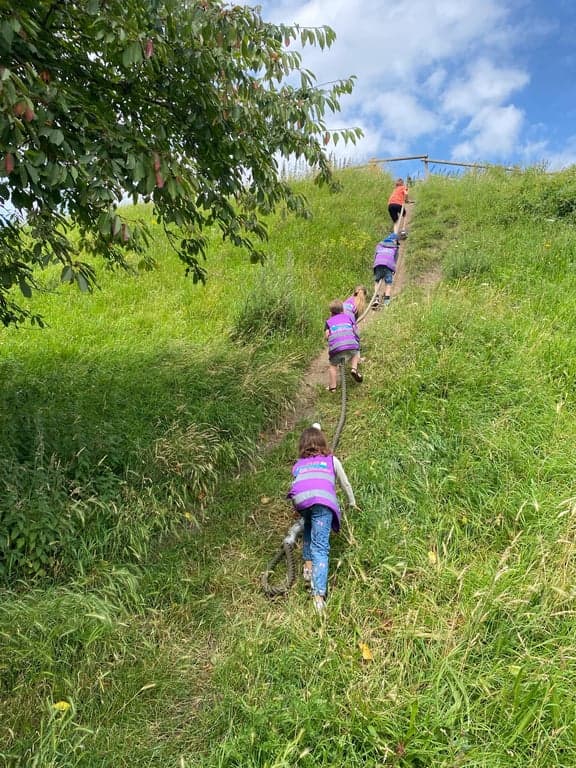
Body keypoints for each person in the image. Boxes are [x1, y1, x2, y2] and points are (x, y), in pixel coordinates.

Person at [288, 425, 357, 613]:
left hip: (301, 500)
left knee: (309, 524)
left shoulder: (298, 464)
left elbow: (296, 483)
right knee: (321, 547)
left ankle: (308, 569)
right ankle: (318, 596)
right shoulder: (331, 460)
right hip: (322, 502)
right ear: (323, 443)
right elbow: (345, 483)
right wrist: (352, 503)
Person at [325, 299, 362, 391]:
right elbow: (355, 331)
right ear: (343, 310)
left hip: (336, 349)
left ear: (331, 312)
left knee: (333, 366)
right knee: (355, 353)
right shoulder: (348, 318)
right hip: (351, 344)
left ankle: (332, 387)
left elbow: (327, 336)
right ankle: (354, 368)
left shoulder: (328, 322)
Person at [372, 233, 399, 310]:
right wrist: (393, 270)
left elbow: (375, 256)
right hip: (388, 265)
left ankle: (376, 298)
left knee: (377, 281)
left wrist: (375, 267)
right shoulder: (395, 248)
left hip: (378, 263)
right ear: (395, 241)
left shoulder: (379, 245)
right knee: (388, 283)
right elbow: (394, 260)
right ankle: (386, 301)